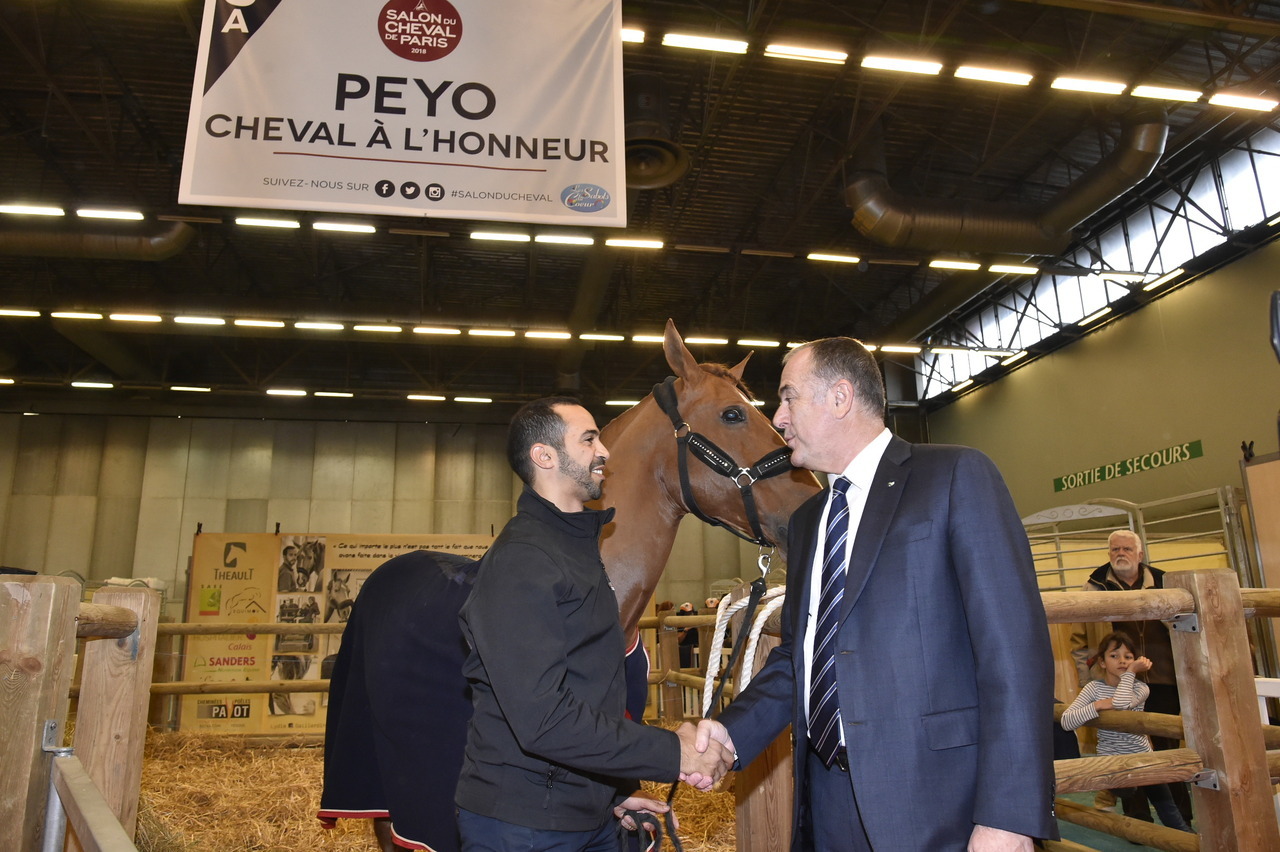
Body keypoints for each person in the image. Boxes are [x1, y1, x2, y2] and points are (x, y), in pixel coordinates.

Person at [695, 337, 1057, 851]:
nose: (778, 418)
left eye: (789, 397)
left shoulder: (955, 476)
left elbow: (1014, 654)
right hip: (827, 799)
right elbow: (801, 661)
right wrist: (732, 734)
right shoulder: (809, 520)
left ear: (840, 398)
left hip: (939, 804)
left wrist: (1009, 815)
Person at [455, 396, 732, 852]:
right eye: (588, 439)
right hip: (524, 828)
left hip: (585, 815)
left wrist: (616, 792)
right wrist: (671, 751)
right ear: (544, 457)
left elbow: (586, 690)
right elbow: (543, 719)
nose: (604, 451)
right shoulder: (522, 562)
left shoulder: (575, 549)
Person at [1068, 529, 1193, 825]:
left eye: (1126, 549)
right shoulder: (1094, 589)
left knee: (1165, 749)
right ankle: (1136, 821)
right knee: (1126, 752)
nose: (1119, 554)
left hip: (1164, 682)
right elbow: (1079, 642)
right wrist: (1089, 682)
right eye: (1114, 550)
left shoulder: (1166, 583)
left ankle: (1181, 817)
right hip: (1114, 687)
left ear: (1140, 555)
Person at [1060, 632, 1193, 833]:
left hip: (1142, 757)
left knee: (1168, 808)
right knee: (1130, 795)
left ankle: (1188, 839)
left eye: (1128, 657)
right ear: (1102, 662)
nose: (1122, 661)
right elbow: (1067, 721)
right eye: (1114, 656)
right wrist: (1097, 705)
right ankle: (1116, 806)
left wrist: (1130, 673)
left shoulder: (1141, 688)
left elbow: (1122, 703)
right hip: (1112, 763)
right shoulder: (1093, 688)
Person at [676, 601, 699, 668]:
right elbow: (678, 640)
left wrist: (697, 627)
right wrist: (685, 630)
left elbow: (703, 638)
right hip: (684, 648)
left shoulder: (698, 620)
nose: (690, 616)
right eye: (687, 614)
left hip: (697, 649)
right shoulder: (678, 624)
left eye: (691, 613)